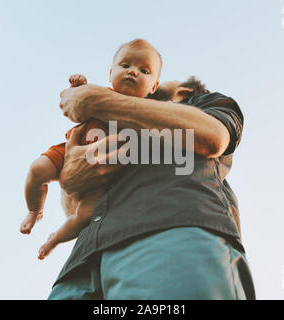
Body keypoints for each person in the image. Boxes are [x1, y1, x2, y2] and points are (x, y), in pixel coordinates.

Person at [46, 71, 256, 299]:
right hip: (80, 267)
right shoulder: (113, 126)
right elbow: (73, 209)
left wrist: (98, 101)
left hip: (171, 236)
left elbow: (213, 136)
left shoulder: (204, 103)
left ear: (184, 92)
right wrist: (71, 178)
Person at [20, 39, 162, 259]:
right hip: (69, 151)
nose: (133, 72)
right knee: (38, 169)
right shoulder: (101, 94)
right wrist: (78, 88)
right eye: (125, 66)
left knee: (85, 216)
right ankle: (34, 210)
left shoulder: (150, 110)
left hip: (104, 175)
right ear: (110, 73)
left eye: (144, 70)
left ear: (153, 87)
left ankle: (55, 239)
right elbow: (75, 105)